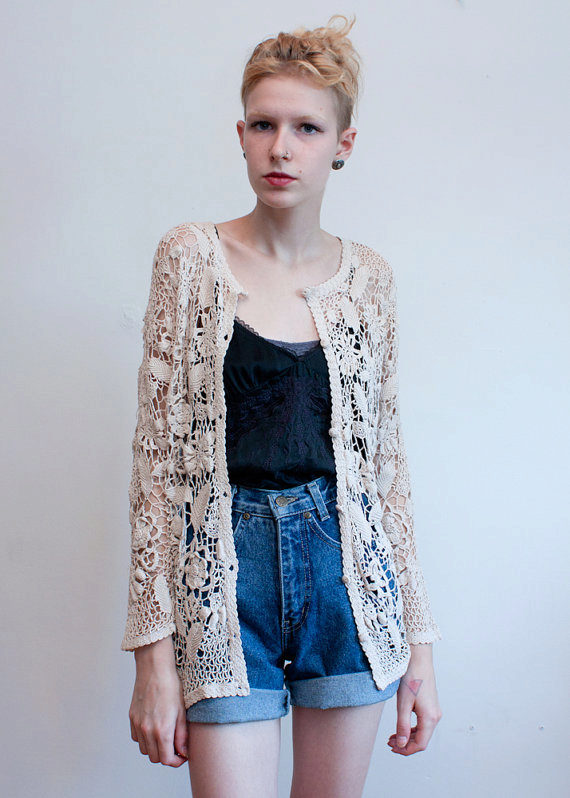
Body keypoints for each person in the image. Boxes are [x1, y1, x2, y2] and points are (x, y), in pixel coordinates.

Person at [121, 14, 442, 797]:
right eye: (263, 125)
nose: (281, 148)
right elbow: (156, 469)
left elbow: (386, 473)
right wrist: (152, 660)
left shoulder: (369, 280)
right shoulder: (189, 258)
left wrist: (421, 651)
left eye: (306, 128)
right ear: (241, 135)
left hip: (347, 577)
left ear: (343, 144)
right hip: (222, 579)